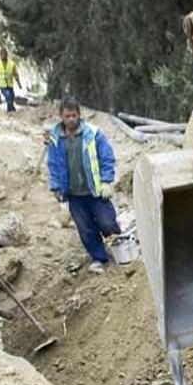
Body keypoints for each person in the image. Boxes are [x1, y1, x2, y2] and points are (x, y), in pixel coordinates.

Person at [45, 98, 120, 273]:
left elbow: (107, 158)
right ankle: (99, 258)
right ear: (61, 116)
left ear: (79, 115)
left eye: (74, 115)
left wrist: (106, 181)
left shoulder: (93, 134)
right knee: (86, 229)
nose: (71, 119)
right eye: (67, 116)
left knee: (107, 222)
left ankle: (121, 250)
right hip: (73, 194)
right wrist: (56, 187)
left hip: (95, 190)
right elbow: (53, 165)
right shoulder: (55, 139)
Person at [0, 47, 23, 112]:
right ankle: (11, 109)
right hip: (2, 85)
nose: (3, 56)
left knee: (12, 97)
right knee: (8, 96)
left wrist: (19, 84)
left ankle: (10, 109)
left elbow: (16, 74)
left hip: (10, 84)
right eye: (2, 55)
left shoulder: (12, 64)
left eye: (4, 54)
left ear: (7, 55)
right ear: (0, 55)